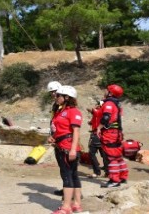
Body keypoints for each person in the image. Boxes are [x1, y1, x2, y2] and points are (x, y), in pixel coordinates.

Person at [48, 85, 83, 214]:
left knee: (68, 176)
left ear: (66, 97)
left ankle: (66, 207)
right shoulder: (60, 111)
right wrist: (53, 137)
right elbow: (59, 129)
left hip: (67, 148)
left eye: (58, 96)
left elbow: (76, 131)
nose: (55, 97)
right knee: (72, 175)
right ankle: (77, 204)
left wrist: (73, 149)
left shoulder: (73, 112)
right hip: (61, 145)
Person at [99, 84, 128, 188]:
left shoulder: (109, 103)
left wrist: (98, 127)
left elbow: (106, 117)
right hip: (116, 132)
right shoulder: (117, 103)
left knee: (111, 157)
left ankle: (114, 180)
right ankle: (123, 176)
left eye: (106, 90)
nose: (105, 91)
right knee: (118, 156)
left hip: (110, 133)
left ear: (110, 92)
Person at [87, 98, 108, 178]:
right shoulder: (103, 113)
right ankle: (107, 172)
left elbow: (89, 109)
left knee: (91, 154)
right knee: (104, 154)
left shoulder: (98, 111)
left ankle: (96, 172)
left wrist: (96, 107)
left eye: (97, 104)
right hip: (103, 135)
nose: (96, 105)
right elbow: (92, 121)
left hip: (96, 135)